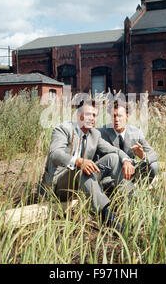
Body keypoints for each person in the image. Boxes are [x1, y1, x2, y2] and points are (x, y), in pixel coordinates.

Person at [39, 99, 136, 232]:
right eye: (88, 114)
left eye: (94, 115)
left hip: (82, 182)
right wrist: (78, 161)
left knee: (113, 158)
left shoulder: (94, 134)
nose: (92, 118)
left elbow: (114, 150)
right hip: (58, 184)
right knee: (80, 168)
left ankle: (132, 200)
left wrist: (126, 160)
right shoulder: (63, 129)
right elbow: (54, 154)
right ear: (79, 115)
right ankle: (106, 217)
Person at [97, 100, 158, 184]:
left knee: (153, 166)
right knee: (108, 183)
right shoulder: (102, 132)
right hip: (111, 175)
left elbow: (153, 154)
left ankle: (138, 191)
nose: (116, 119)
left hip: (131, 172)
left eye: (119, 116)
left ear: (127, 116)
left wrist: (143, 156)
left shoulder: (136, 132)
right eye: (113, 116)